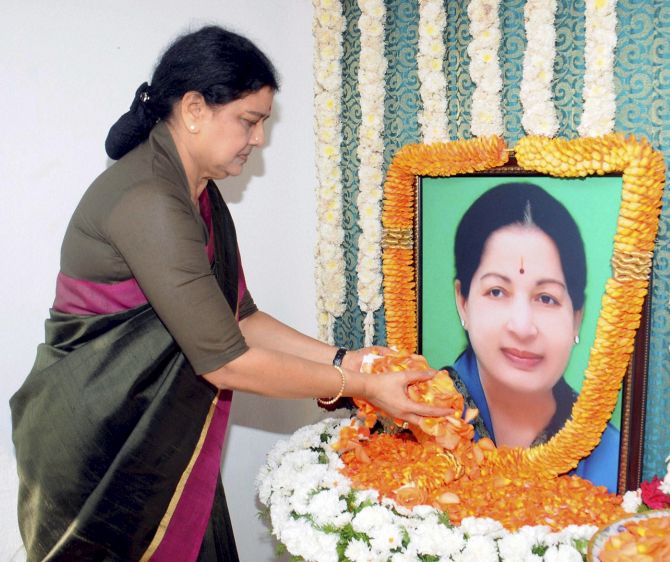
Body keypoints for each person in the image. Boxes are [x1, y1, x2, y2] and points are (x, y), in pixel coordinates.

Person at [9, 26, 449, 562]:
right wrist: (358, 385)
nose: (259, 139)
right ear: (194, 109)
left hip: (160, 437)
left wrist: (346, 358)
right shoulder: (150, 199)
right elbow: (226, 362)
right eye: (250, 120)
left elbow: (240, 318)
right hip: (105, 447)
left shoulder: (196, 193)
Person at [446, 182, 620, 492]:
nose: (523, 327)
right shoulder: (417, 419)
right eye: (497, 291)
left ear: (577, 318)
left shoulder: (612, 456)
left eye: (546, 298)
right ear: (463, 302)